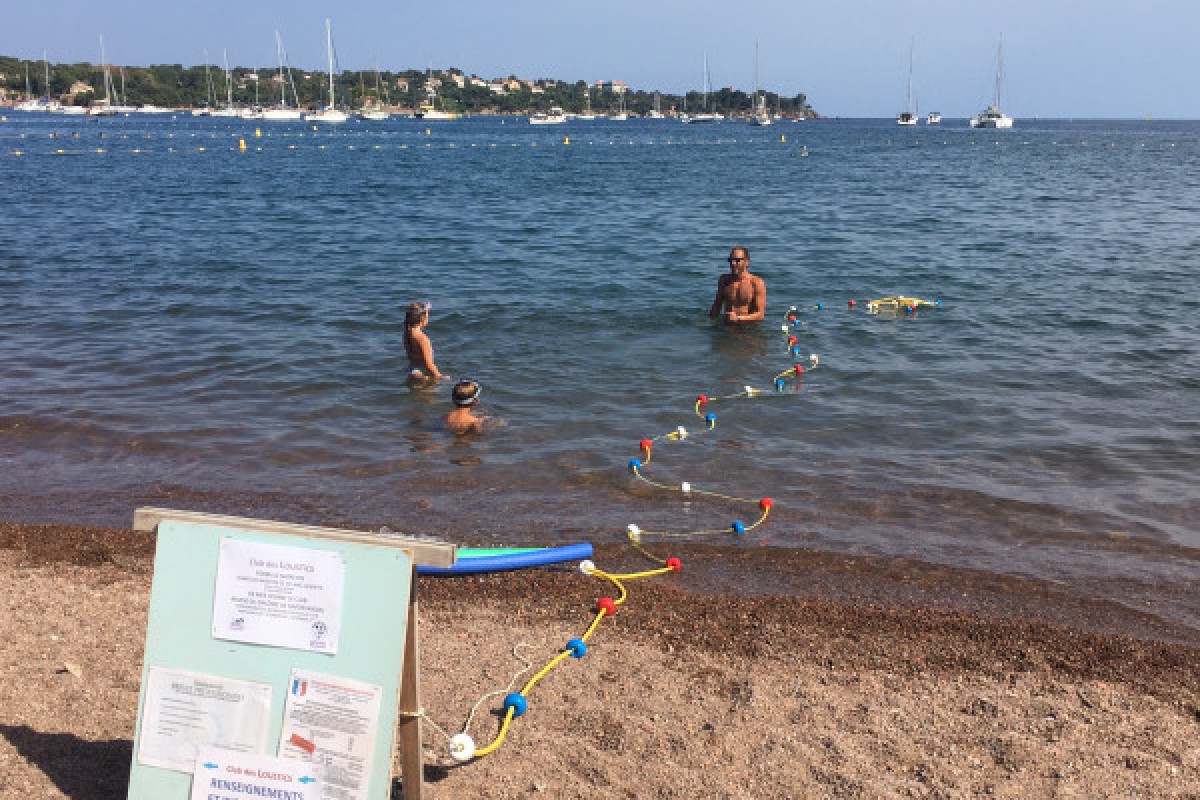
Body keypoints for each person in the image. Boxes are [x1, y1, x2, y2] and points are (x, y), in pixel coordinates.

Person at [709, 246, 767, 323]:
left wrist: (739, 318)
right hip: (727, 325)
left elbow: (760, 314)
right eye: (731, 260)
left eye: (737, 260)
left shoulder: (756, 283)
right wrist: (709, 321)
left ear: (747, 262)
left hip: (747, 326)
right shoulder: (724, 280)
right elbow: (717, 305)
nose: (733, 263)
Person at [404, 301, 445, 387]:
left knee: (417, 399)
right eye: (427, 315)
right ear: (422, 318)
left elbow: (409, 355)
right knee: (428, 399)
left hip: (412, 370)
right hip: (423, 374)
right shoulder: (422, 338)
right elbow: (428, 363)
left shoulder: (407, 333)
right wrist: (439, 376)